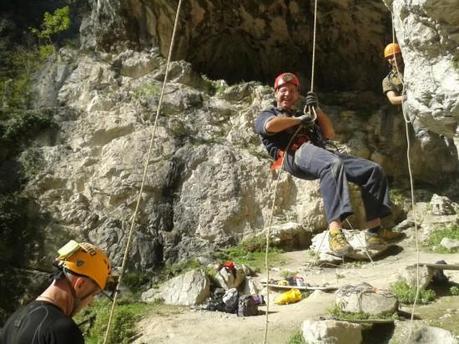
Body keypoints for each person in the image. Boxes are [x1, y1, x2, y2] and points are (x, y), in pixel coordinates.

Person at [255, 72, 402, 257]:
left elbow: (329, 134)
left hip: (320, 154)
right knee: (332, 164)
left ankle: (374, 231)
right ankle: (335, 232)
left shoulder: (304, 114)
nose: (287, 94)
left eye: (292, 91)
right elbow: (270, 127)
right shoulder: (268, 113)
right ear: (276, 93)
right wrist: (298, 121)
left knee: (373, 170)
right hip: (293, 154)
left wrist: (317, 110)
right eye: (283, 90)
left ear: (297, 95)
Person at [1, 240, 111, 344]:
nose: (91, 303)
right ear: (80, 284)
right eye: (93, 294)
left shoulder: (15, 318)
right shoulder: (62, 330)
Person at [382, 43, 430, 146]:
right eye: (389, 57)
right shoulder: (388, 80)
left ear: (401, 54)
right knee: (407, 104)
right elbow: (393, 99)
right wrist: (409, 97)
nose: (392, 59)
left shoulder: (412, 68)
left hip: (424, 97)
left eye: (395, 55)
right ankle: (422, 134)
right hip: (408, 105)